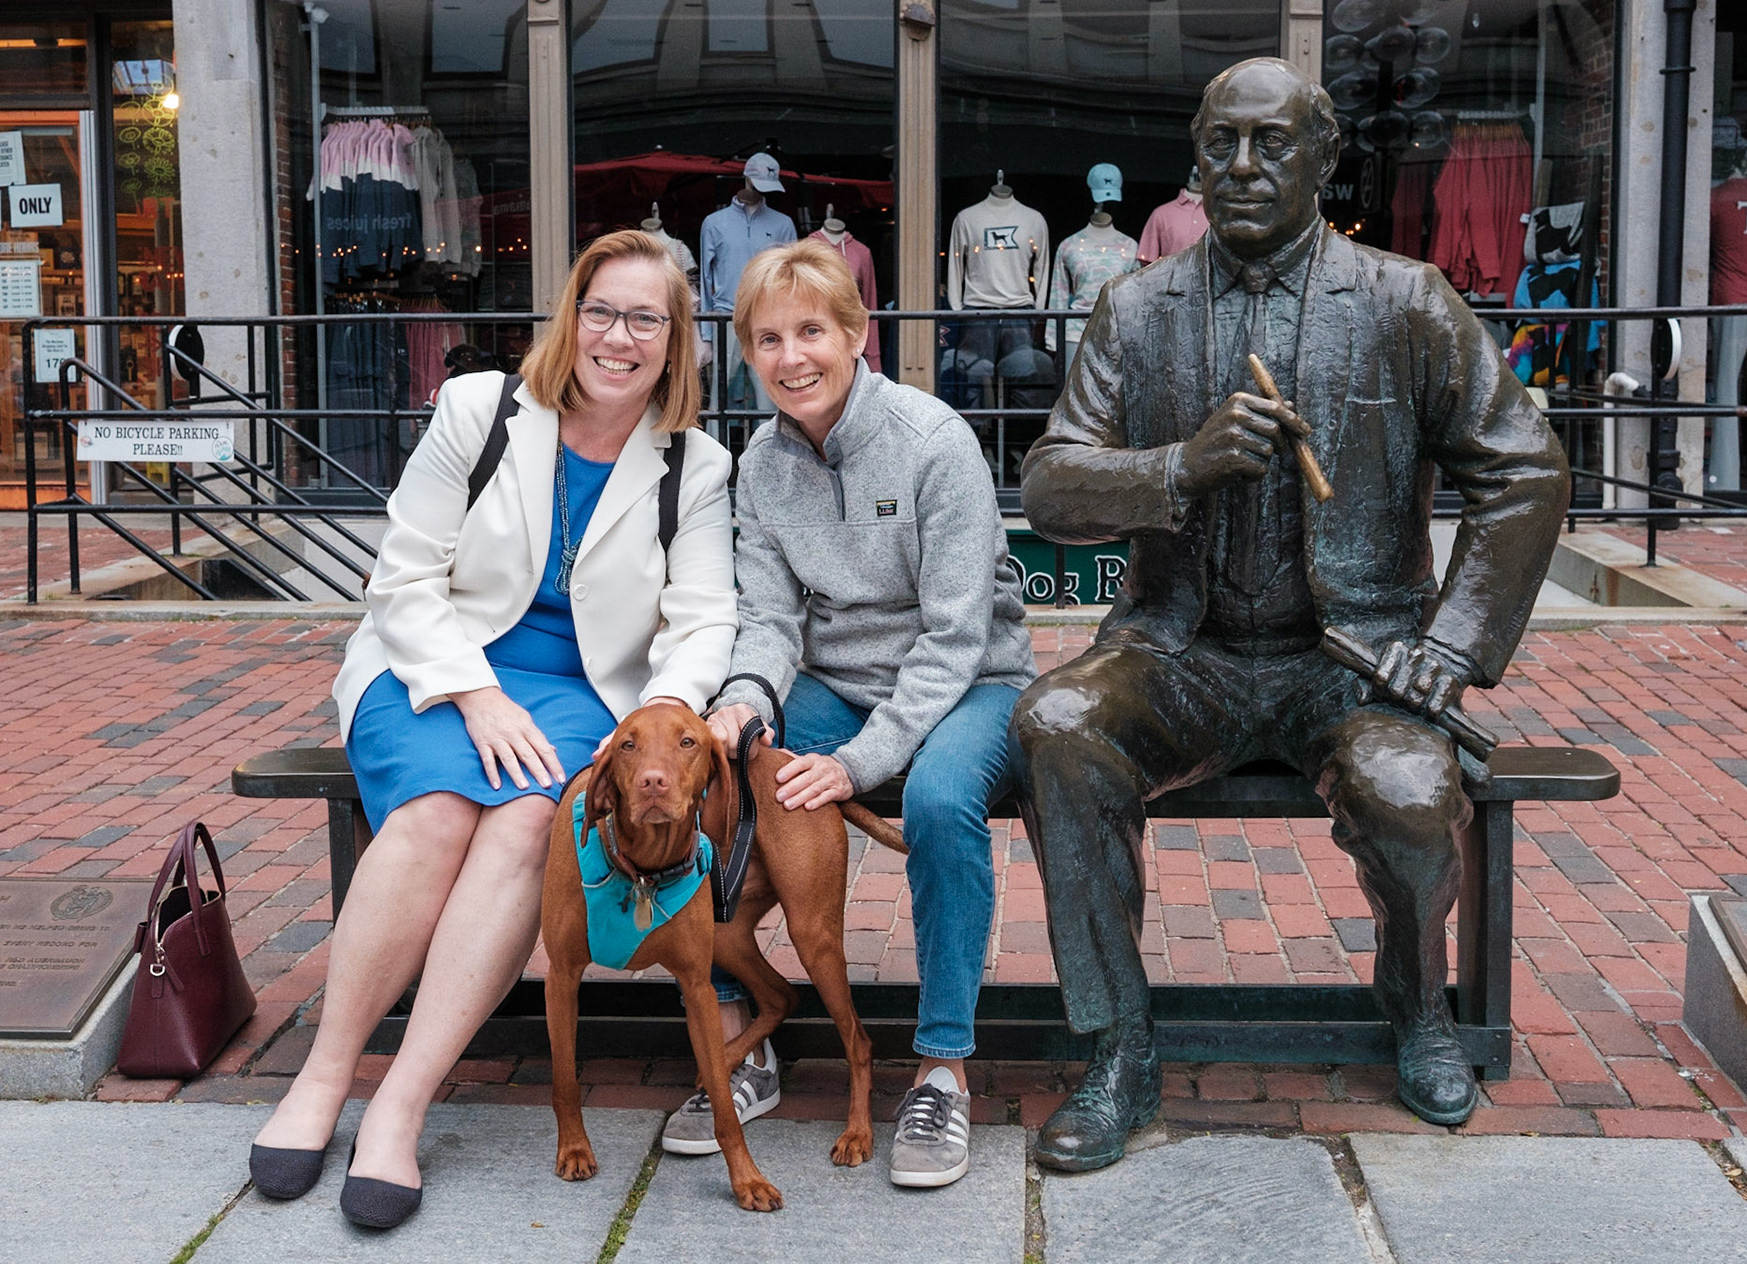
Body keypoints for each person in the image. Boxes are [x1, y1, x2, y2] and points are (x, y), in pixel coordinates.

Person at [1010, 56, 1570, 1171]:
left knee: (1411, 790)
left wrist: (1450, 646)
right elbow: (1051, 487)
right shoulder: (1137, 307)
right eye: (1221, 143)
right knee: (1056, 725)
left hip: (1352, 661)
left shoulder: (1407, 300)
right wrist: (1178, 465)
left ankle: (1417, 1003)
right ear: (1196, 158)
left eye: (1272, 142)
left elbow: (1526, 470)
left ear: (1323, 158)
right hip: (1182, 651)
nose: (1244, 165)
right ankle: (1120, 1047)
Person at [247, 230, 738, 1227]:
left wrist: (655, 722)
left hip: (584, 695)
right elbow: (404, 577)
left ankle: (401, 1102)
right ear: (572, 317)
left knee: (523, 826)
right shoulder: (479, 410)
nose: (618, 337)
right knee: (434, 814)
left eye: (646, 319)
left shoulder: (695, 464)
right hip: (433, 665)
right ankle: (324, 1075)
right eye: (601, 311)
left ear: (675, 340)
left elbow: (703, 622)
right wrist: (474, 693)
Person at [685, 239, 1034, 1189]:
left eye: (811, 331)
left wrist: (859, 760)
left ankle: (942, 1067)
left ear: (856, 334)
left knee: (941, 804)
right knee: (717, 766)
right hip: (833, 682)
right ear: (747, 354)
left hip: (973, 683)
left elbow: (958, 634)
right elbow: (768, 620)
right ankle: (744, 1031)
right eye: (768, 339)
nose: (791, 357)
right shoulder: (761, 465)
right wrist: (744, 703)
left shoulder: (934, 442)